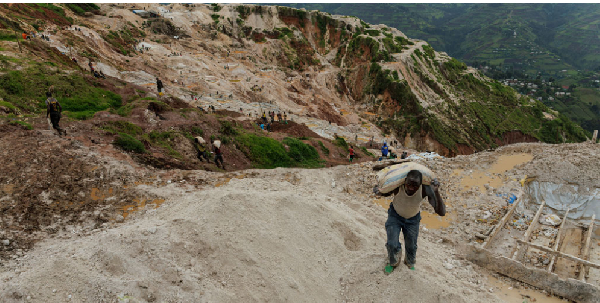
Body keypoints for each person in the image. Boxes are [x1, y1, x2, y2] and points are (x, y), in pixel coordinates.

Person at [376, 170, 445, 270]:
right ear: (405, 181)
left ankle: (409, 262)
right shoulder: (398, 186)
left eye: (415, 185)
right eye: (409, 184)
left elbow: (441, 212)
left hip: (413, 220)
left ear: (420, 185)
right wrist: (380, 191)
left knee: (412, 246)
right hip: (395, 215)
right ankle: (393, 262)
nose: (411, 188)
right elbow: (386, 192)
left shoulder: (424, 190)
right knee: (392, 243)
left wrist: (436, 192)